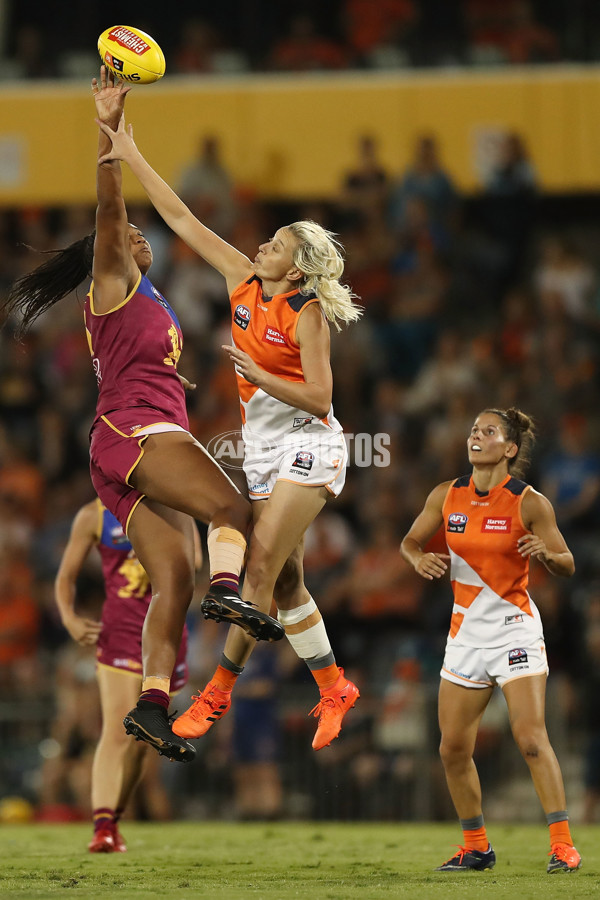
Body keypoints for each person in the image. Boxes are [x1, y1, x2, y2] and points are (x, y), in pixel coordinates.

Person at [3, 68, 283, 766]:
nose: (135, 235)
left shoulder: (148, 300)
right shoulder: (113, 282)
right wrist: (107, 131)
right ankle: (229, 594)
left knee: (174, 574)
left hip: (119, 452)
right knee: (231, 507)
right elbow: (107, 212)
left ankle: (153, 704)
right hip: (137, 433)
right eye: (128, 233)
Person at [96, 95, 363, 752]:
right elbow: (182, 216)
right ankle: (333, 685)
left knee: (262, 562)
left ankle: (216, 693)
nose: (262, 246)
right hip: (265, 452)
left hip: (312, 446)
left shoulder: (307, 313)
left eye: (277, 244)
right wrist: (128, 153)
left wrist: (257, 372)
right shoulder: (242, 280)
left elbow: (321, 398)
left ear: (297, 267)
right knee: (288, 579)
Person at [400, 407, 581, 874]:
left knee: (531, 739)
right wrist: (417, 560)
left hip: (514, 630)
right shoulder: (447, 495)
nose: (476, 436)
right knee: (452, 749)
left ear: (510, 448)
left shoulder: (529, 502)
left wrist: (546, 553)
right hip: (465, 636)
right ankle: (477, 847)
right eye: (474, 429)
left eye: (489, 431)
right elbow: (409, 543)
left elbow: (568, 562)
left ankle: (562, 845)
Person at [55, 496, 200, 852]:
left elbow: (193, 562)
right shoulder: (93, 515)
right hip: (119, 632)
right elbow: (65, 577)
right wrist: (69, 617)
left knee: (142, 744)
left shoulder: (175, 507)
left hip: (166, 632)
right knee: (117, 729)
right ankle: (102, 826)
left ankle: (113, 819)